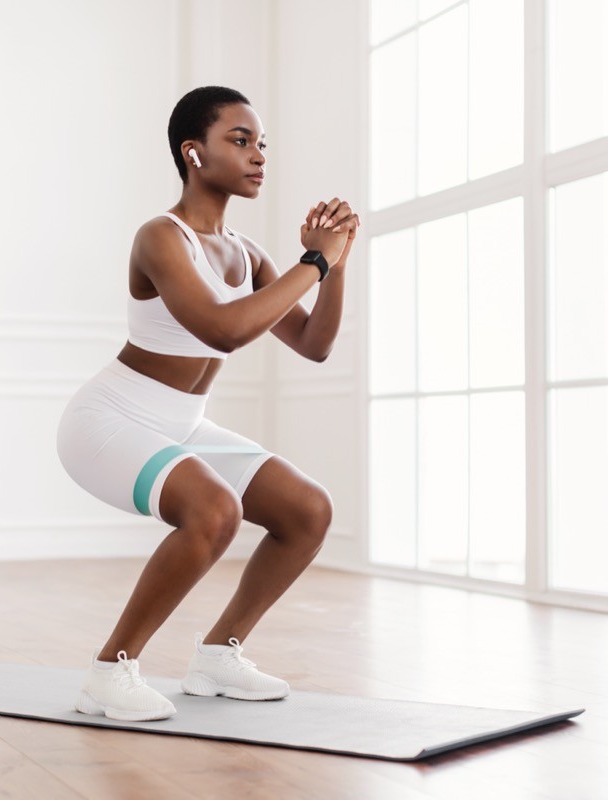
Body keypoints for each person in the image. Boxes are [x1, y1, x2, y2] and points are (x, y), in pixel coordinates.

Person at [56, 86, 359, 722]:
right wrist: (312, 261)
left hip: (181, 424)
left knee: (307, 511)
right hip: (110, 423)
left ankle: (219, 658)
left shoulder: (247, 253)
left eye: (261, 145)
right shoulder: (160, 237)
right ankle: (109, 673)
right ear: (194, 153)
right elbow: (222, 329)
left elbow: (314, 343)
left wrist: (334, 265)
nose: (257, 156)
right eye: (240, 141)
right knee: (214, 511)